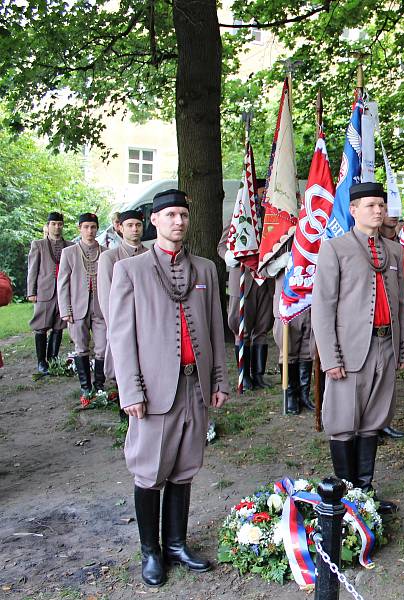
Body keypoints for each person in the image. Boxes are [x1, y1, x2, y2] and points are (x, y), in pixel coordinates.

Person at [108, 189, 229, 587]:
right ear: (154, 221)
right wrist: (131, 391)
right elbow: (121, 337)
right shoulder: (131, 270)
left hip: (195, 387)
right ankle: (151, 552)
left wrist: (219, 381)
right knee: (150, 471)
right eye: (170, 215)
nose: (179, 221)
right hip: (153, 390)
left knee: (184, 469)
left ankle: (176, 543)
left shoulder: (207, 269)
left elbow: (215, 330)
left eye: (183, 215)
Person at [311, 181, 404, 514]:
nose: (378, 211)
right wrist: (330, 357)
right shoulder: (335, 248)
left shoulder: (394, 251)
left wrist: (403, 349)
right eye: (370, 206)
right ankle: (344, 494)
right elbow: (323, 307)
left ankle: (364, 494)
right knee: (343, 421)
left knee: (373, 420)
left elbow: (399, 303)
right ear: (353, 211)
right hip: (350, 351)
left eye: (381, 205)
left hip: (385, 344)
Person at [217, 199, 275, 390]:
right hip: (243, 280)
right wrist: (230, 256)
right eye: (258, 194)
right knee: (241, 328)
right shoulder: (238, 218)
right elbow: (222, 245)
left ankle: (258, 375)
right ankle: (245, 374)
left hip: (265, 280)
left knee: (262, 327)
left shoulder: (271, 217)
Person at [97, 209, 147, 414]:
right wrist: (115, 329)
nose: (134, 230)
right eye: (129, 225)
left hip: (147, 322)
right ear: (120, 228)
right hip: (122, 324)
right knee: (124, 368)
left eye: (138, 225)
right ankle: (125, 412)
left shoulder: (150, 254)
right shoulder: (109, 257)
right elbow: (106, 296)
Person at [57, 213, 106, 400]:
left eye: (93, 227)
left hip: (100, 308)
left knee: (103, 347)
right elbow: (62, 284)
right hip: (77, 309)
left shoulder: (105, 251)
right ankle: (86, 387)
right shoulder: (69, 252)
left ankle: (99, 385)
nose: (90, 231)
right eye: (86, 227)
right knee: (81, 347)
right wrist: (65, 310)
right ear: (80, 228)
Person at [374, 212, 404, 440]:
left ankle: (382, 421)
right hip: (368, 324)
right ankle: (367, 425)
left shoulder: (399, 245)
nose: (391, 214)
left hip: (392, 321)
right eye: (385, 208)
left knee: (387, 378)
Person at [27, 212, 73, 375]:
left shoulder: (70, 245)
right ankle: (41, 362)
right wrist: (31, 292)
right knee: (41, 327)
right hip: (44, 291)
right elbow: (33, 270)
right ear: (48, 226)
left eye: (59, 224)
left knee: (59, 327)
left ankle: (52, 359)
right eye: (53, 223)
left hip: (64, 292)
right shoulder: (38, 244)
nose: (57, 227)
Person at [272, 267, 313, 414]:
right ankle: (291, 396)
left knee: (308, 349)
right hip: (287, 300)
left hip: (310, 298)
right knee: (287, 348)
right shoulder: (278, 243)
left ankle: (304, 396)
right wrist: (280, 261)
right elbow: (263, 268)